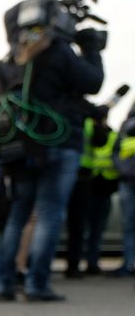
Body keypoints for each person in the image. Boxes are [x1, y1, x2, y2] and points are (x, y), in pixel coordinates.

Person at [0, 22, 104, 302]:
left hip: (20, 148)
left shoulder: (9, 61)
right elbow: (93, 82)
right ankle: (36, 284)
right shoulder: (59, 53)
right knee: (49, 215)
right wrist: (90, 49)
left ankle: (4, 284)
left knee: (17, 216)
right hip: (58, 143)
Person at [66, 113, 117, 277]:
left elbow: (101, 143)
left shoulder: (103, 128)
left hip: (92, 181)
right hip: (79, 178)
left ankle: (82, 263)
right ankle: (75, 263)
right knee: (78, 224)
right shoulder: (81, 119)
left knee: (87, 225)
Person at [114, 101, 135, 277]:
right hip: (128, 179)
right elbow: (116, 150)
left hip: (127, 179)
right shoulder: (126, 124)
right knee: (128, 224)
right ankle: (129, 264)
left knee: (129, 225)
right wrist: (121, 167)